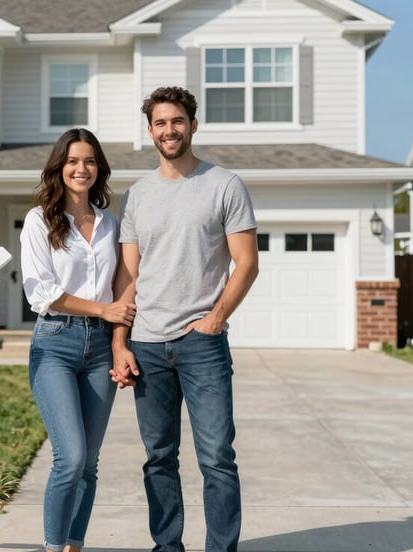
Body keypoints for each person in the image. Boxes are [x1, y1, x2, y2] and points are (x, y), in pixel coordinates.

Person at [110, 86, 259, 552]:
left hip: (202, 344)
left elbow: (247, 262)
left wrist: (214, 319)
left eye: (177, 121)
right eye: (159, 123)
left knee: (217, 457)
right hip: (149, 344)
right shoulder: (137, 195)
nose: (169, 130)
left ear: (193, 125)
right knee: (159, 458)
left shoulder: (224, 185)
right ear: (150, 131)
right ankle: (167, 547)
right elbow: (128, 275)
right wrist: (121, 341)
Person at [20, 128, 137, 552]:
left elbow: (125, 282)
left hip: (103, 347)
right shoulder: (39, 220)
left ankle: (73, 546)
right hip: (55, 343)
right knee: (69, 458)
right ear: (59, 167)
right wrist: (103, 310)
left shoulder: (110, 223)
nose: (81, 168)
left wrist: (120, 337)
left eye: (89, 161)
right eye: (72, 161)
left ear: (99, 168)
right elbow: (42, 292)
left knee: (89, 463)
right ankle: (53, 548)